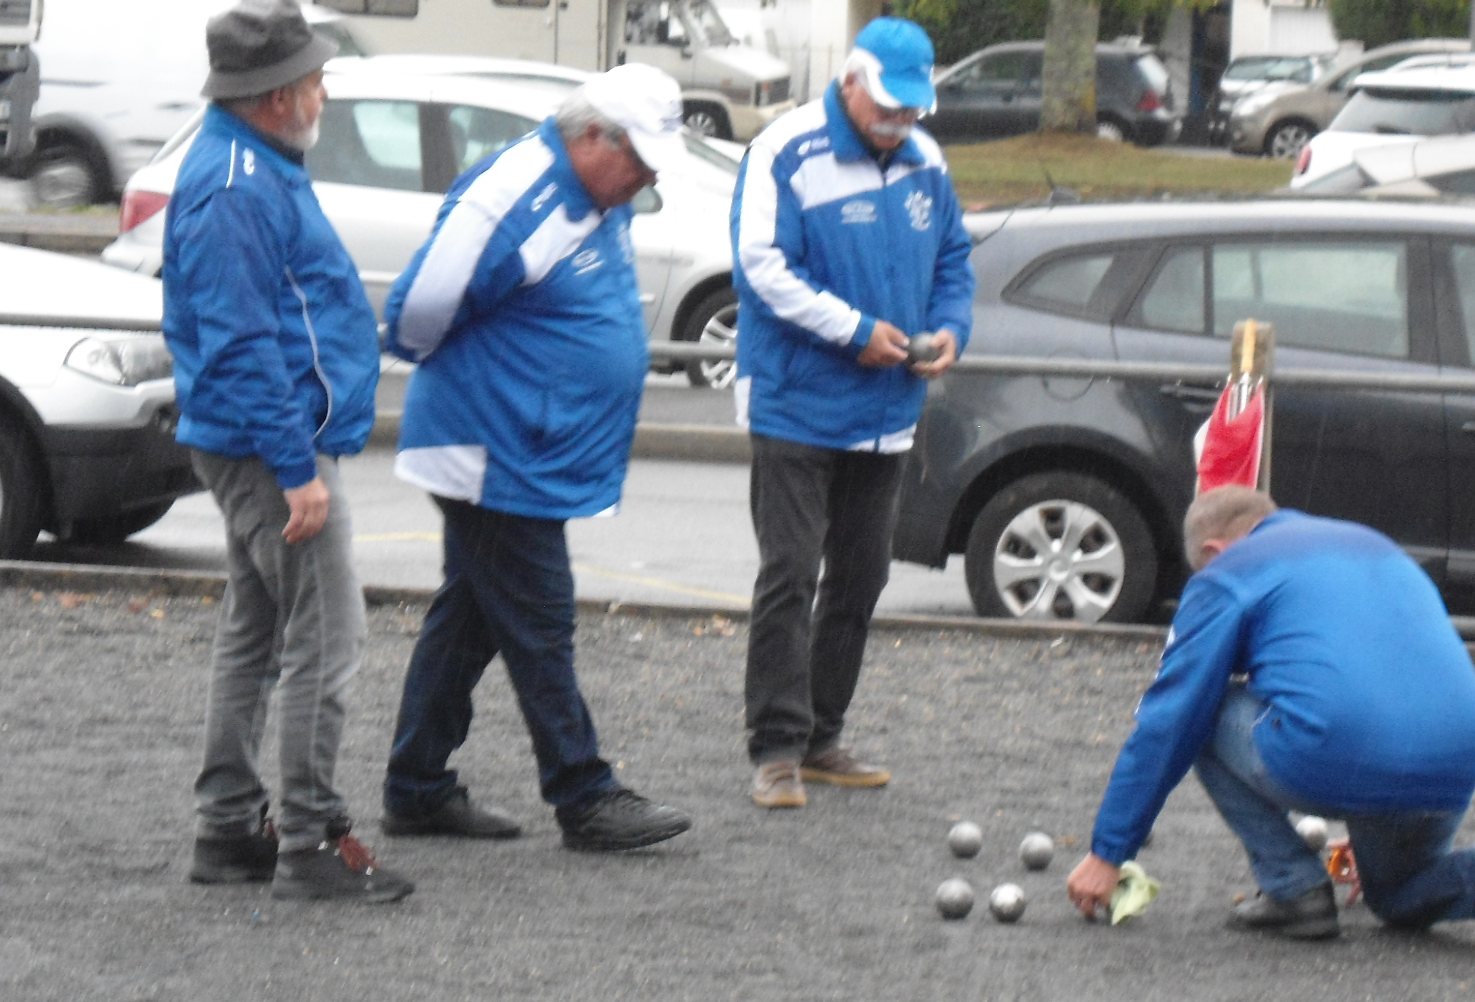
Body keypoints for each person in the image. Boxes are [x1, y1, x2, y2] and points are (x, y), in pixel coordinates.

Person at [377, 65, 694, 853]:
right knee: (541, 617)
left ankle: (416, 787)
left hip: (521, 448)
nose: (647, 179)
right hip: (491, 450)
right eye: (640, 161)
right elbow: (415, 312)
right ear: (593, 137)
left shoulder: (594, 190)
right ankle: (584, 793)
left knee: (473, 618)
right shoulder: (515, 196)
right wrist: (498, 389)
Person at [1065, 487, 1475, 958]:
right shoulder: (1373, 544)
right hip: (1455, 753)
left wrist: (1109, 853)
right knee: (1394, 895)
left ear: (1214, 551)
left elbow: (1170, 717)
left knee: (1206, 708)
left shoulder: (1229, 570)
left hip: (1341, 750)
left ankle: (1293, 889)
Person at [166, 0, 410, 903]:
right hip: (275, 448)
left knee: (257, 631)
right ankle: (307, 839)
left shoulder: (250, 163)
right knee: (325, 638)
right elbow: (240, 340)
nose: (323, 92)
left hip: (253, 440)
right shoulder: (241, 185)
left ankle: (230, 827)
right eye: (314, 78)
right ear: (275, 97)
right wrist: (298, 469)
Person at [729, 16, 975, 809]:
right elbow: (763, 268)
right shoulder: (785, 151)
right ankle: (774, 747)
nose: (900, 121)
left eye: (912, 109)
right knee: (790, 574)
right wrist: (854, 331)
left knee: (862, 577)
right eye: (889, 106)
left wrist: (950, 330)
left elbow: (954, 261)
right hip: (797, 400)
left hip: (889, 405)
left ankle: (823, 734)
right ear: (850, 82)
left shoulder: (924, 158)